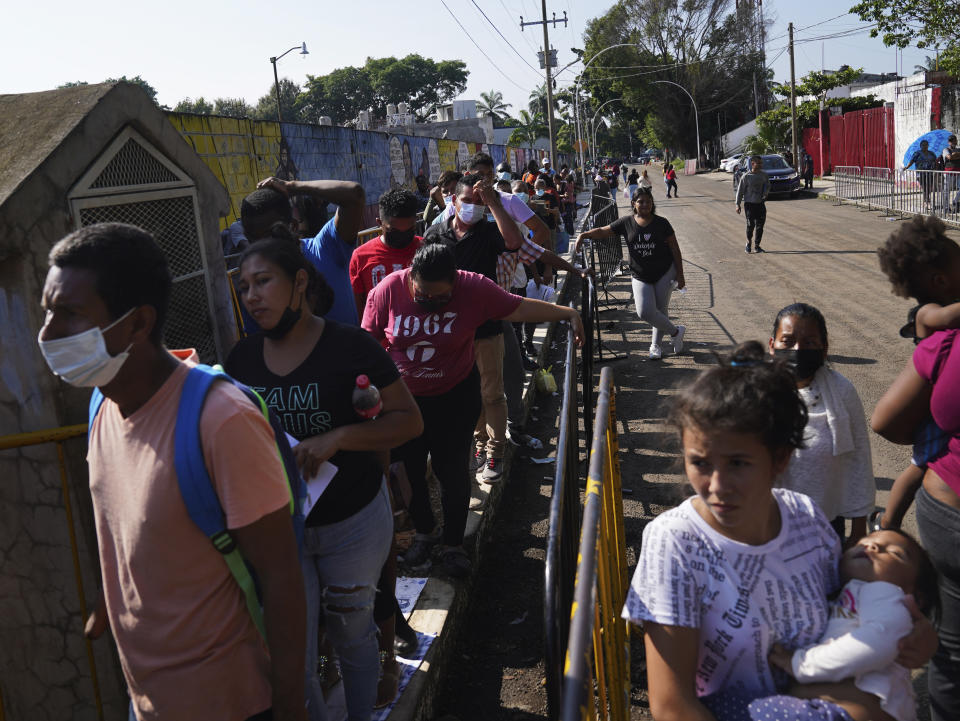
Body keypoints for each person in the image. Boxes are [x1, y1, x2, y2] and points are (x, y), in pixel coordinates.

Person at [38, 223, 308, 721]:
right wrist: (111, 597)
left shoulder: (221, 421)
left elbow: (283, 579)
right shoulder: (103, 404)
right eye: (48, 312)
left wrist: (292, 709)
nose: (47, 334)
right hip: (148, 701)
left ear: (139, 323)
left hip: (232, 704)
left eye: (70, 314)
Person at [622, 341, 937, 721]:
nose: (717, 485)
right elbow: (673, 707)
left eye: (738, 463)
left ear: (780, 458)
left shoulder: (806, 518)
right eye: (700, 463)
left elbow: (854, 606)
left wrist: (918, 634)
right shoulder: (672, 543)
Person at [226, 227, 424, 721]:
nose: (252, 296)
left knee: (352, 632)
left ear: (299, 283)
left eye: (263, 281)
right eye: (244, 286)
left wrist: (338, 437)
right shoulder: (240, 360)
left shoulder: (351, 346)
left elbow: (408, 420)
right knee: (295, 645)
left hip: (353, 522)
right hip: (280, 531)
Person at [362, 241, 585, 577]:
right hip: (405, 403)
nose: (432, 304)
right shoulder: (387, 291)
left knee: (451, 470)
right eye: (423, 296)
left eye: (441, 298)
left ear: (455, 281)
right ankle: (424, 532)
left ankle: (453, 544)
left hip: (454, 396)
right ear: (412, 279)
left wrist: (568, 313)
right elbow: (367, 343)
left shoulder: (474, 288)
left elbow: (518, 308)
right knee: (408, 469)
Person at [872, 320, 960, 721]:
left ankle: (887, 524)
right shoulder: (939, 346)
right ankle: (887, 524)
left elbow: (887, 424)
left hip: (944, 477)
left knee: (916, 468)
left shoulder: (938, 347)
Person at [767, 528, 938, 721]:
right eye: (866, 539)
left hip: (836, 714)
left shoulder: (886, 593)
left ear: (916, 596)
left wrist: (801, 663)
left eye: (895, 553)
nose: (873, 545)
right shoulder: (847, 594)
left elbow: (878, 642)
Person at [425, 172, 524, 482]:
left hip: (485, 327)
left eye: (478, 203)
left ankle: (496, 454)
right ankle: (480, 445)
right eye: (467, 201)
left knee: (492, 394)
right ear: (454, 201)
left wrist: (492, 201)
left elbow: (514, 241)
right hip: (450, 332)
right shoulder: (436, 233)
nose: (472, 208)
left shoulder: (488, 231)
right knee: (469, 394)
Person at [875, 216, 960, 531]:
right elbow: (948, 316)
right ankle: (888, 523)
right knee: (916, 469)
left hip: (936, 399)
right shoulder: (928, 313)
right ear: (940, 281)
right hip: (931, 415)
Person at [768, 303, 875, 544]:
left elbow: (858, 461)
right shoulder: (755, 392)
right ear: (772, 345)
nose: (798, 349)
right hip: (766, 526)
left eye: (809, 343)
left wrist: (858, 530)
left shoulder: (842, 391)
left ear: (824, 349)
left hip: (825, 524)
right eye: (788, 341)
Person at [574, 187, 686, 360]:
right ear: (633, 204)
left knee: (661, 310)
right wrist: (585, 235)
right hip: (640, 274)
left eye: (648, 201)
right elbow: (604, 230)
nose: (645, 204)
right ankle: (676, 332)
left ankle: (655, 345)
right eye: (641, 201)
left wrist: (680, 274)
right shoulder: (626, 222)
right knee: (645, 312)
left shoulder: (662, 223)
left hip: (664, 272)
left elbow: (675, 248)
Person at [241, 176, 366, 326]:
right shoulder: (252, 286)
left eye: (270, 236)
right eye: (252, 238)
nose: (261, 247)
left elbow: (354, 194)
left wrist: (292, 187)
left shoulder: (325, 248)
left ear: (293, 227)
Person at [350, 188, 423, 318]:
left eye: (410, 230)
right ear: (379, 223)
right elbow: (360, 310)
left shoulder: (426, 248)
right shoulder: (361, 256)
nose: (402, 237)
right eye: (394, 231)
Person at [736, 155, 770, 254]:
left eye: (761, 163)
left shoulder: (764, 175)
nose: (760, 165)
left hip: (760, 204)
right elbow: (740, 191)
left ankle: (757, 246)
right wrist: (737, 204)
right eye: (758, 163)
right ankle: (748, 243)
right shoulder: (746, 176)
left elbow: (768, 185)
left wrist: (766, 193)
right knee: (750, 226)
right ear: (752, 164)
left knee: (760, 226)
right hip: (749, 205)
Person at [904, 140, 938, 209]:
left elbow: (935, 162)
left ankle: (926, 201)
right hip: (920, 174)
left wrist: (936, 170)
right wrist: (907, 167)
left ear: (928, 145)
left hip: (930, 173)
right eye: (923, 145)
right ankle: (926, 202)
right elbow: (912, 161)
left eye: (926, 145)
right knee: (925, 187)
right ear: (920, 146)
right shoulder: (917, 153)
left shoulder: (932, 153)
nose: (925, 146)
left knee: (928, 188)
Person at [941, 134, 960, 213]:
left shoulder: (958, 149)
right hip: (949, 173)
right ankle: (946, 208)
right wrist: (955, 155)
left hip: (958, 173)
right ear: (949, 142)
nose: (954, 142)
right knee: (947, 191)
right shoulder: (945, 150)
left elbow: (953, 156)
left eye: (955, 140)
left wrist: (955, 155)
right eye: (952, 140)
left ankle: (955, 201)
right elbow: (949, 157)